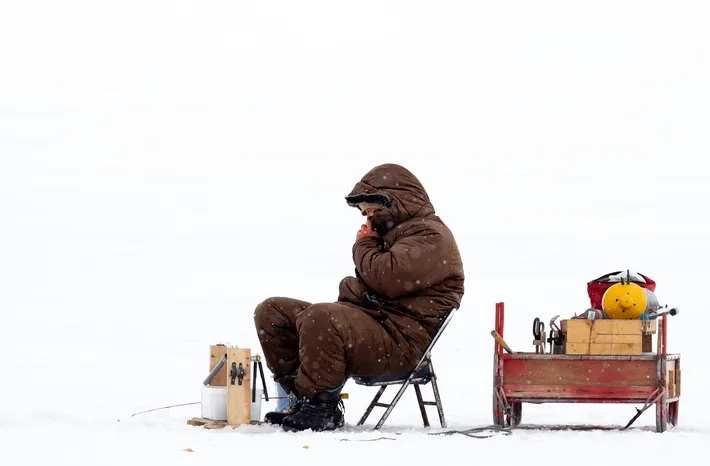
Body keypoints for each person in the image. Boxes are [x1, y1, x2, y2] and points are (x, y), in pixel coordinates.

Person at [253, 163, 465, 432]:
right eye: (364, 211)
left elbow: (384, 278)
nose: (367, 216)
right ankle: (303, 398)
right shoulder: (392, 236)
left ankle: (322, 407)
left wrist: (364, 245)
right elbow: (374, 284)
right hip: (375, 325)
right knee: (272, 312)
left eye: (371, 209)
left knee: (321, 316)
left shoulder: (431, 236)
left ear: (394, 202)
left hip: (399, 342)